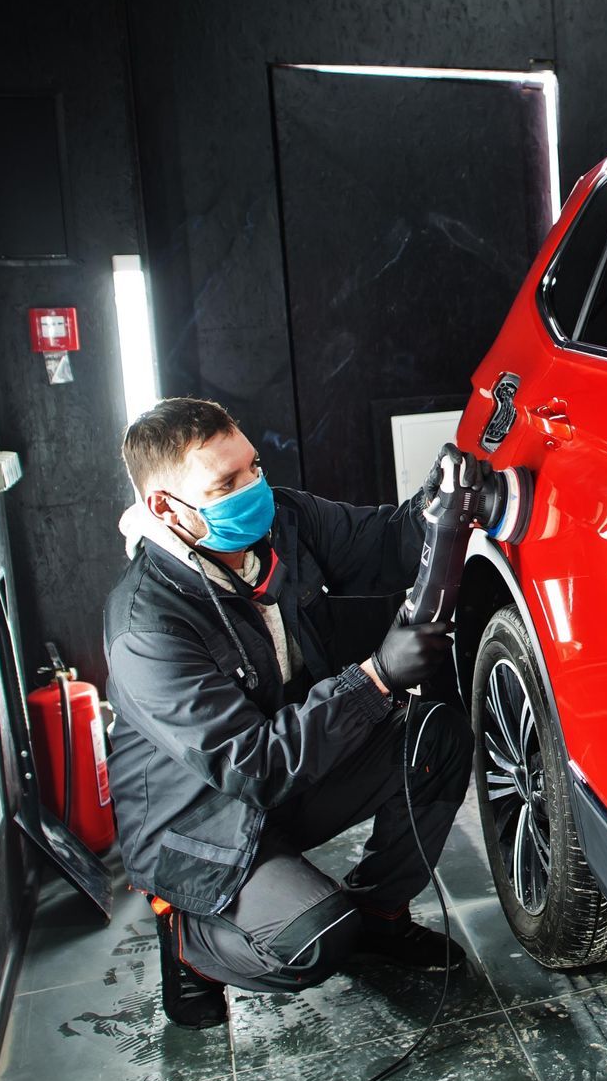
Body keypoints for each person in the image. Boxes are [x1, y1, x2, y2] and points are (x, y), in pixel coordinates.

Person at [103, 395, 474, 1028]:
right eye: (227, 483)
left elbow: (388, 540)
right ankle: (189, 942)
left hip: (286, 775)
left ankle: (382, 912)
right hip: (199, 821)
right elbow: (252, 765)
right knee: (315, 938)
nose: (254, 488)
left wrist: (441, 497)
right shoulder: (147, 626)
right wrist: (376, 677)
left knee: (436, 738)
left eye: (253, 467)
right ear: (165, 507)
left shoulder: (278, 523)